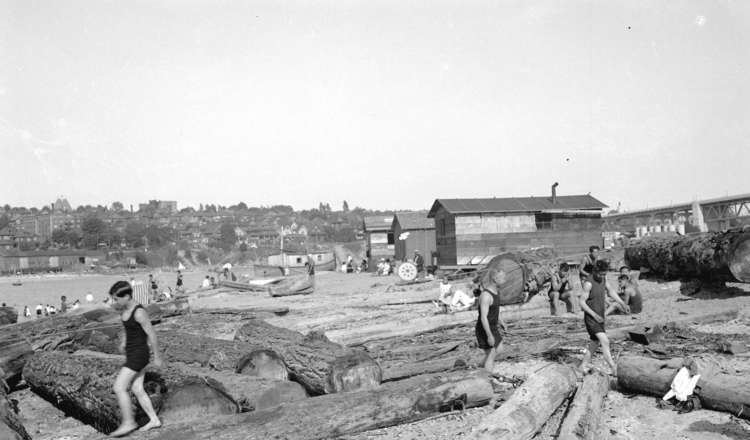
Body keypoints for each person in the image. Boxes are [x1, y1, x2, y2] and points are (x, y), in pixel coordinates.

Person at [108, 280, 163, 437]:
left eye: (117, 299)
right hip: (132, 353)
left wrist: (157, 356)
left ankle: (128, 422)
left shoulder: (139, 312)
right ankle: (154, 420)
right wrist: (124, 341)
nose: (115, 302)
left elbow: (151, 334)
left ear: (126, 296)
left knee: (119, 387)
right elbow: (129, 328)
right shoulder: (125, 309)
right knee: (137, 389)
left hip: (139, 355)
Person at [579, 260, 629, 376]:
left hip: (600, 316)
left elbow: (611, 291)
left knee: (594, 343)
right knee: (605, 341)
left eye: (604, 274)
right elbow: (582, 302)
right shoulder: (589, 283)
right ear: (595, 271)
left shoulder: (604, 279)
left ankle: (582, 366)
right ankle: (613, 367)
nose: (602, 276)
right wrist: (594, 314)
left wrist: (622, 303)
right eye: (600, 274)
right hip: (591, 317)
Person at [475, 267, 508, 373]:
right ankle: (488, 378)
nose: (505, 279)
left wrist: (501, 321)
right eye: (502, 277)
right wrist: (489, 335)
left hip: (493, 327)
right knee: (492, 352)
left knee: (500, 349)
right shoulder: (486, 295)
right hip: (485, 328)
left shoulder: (496, 292)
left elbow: (495, 310)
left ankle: (480, 367)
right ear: (495, 279)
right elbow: (483, 317)